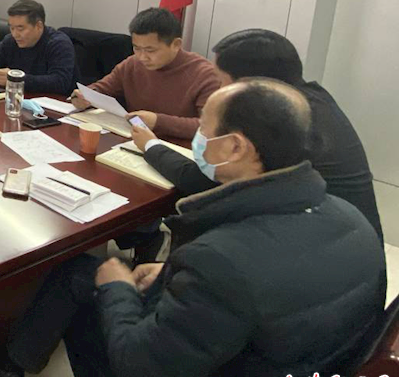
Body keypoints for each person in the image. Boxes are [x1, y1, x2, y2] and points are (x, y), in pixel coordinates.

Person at [0, 79, 384, 377]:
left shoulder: (223, 261)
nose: (196, 138)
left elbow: (144, 374)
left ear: (236, 148)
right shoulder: (352, 219)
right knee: (84, 272)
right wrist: (172, 274)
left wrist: (119, 288)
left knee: (90, 281)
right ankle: (14, 363)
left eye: (204, 129)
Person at [132, 28, 383, 241]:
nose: (219, 91)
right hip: (347, 244)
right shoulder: (309, 100)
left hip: (315, 250)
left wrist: (152, 146)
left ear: (251, 85)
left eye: (222, 81)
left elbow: (205, 181)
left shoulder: (274, 121)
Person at [70, 7, 220, 139]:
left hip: (178, 149)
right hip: (132, 141)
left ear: (176, 44)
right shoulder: (132, 64)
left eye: (150, 50)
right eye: (136, 48)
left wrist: (159, 122)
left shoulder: (205, 75)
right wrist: (84, 96)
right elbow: (102, 88)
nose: (142, 57)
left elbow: (212, 128)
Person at [0, 0, 75, 93]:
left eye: (20, 28)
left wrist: (17, 79)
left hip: (53, 104)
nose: (15, 34)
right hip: (17, 98)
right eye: (12, 28)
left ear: (39, 26)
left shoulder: (59, 44)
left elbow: (60, 82)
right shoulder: (11, 40)